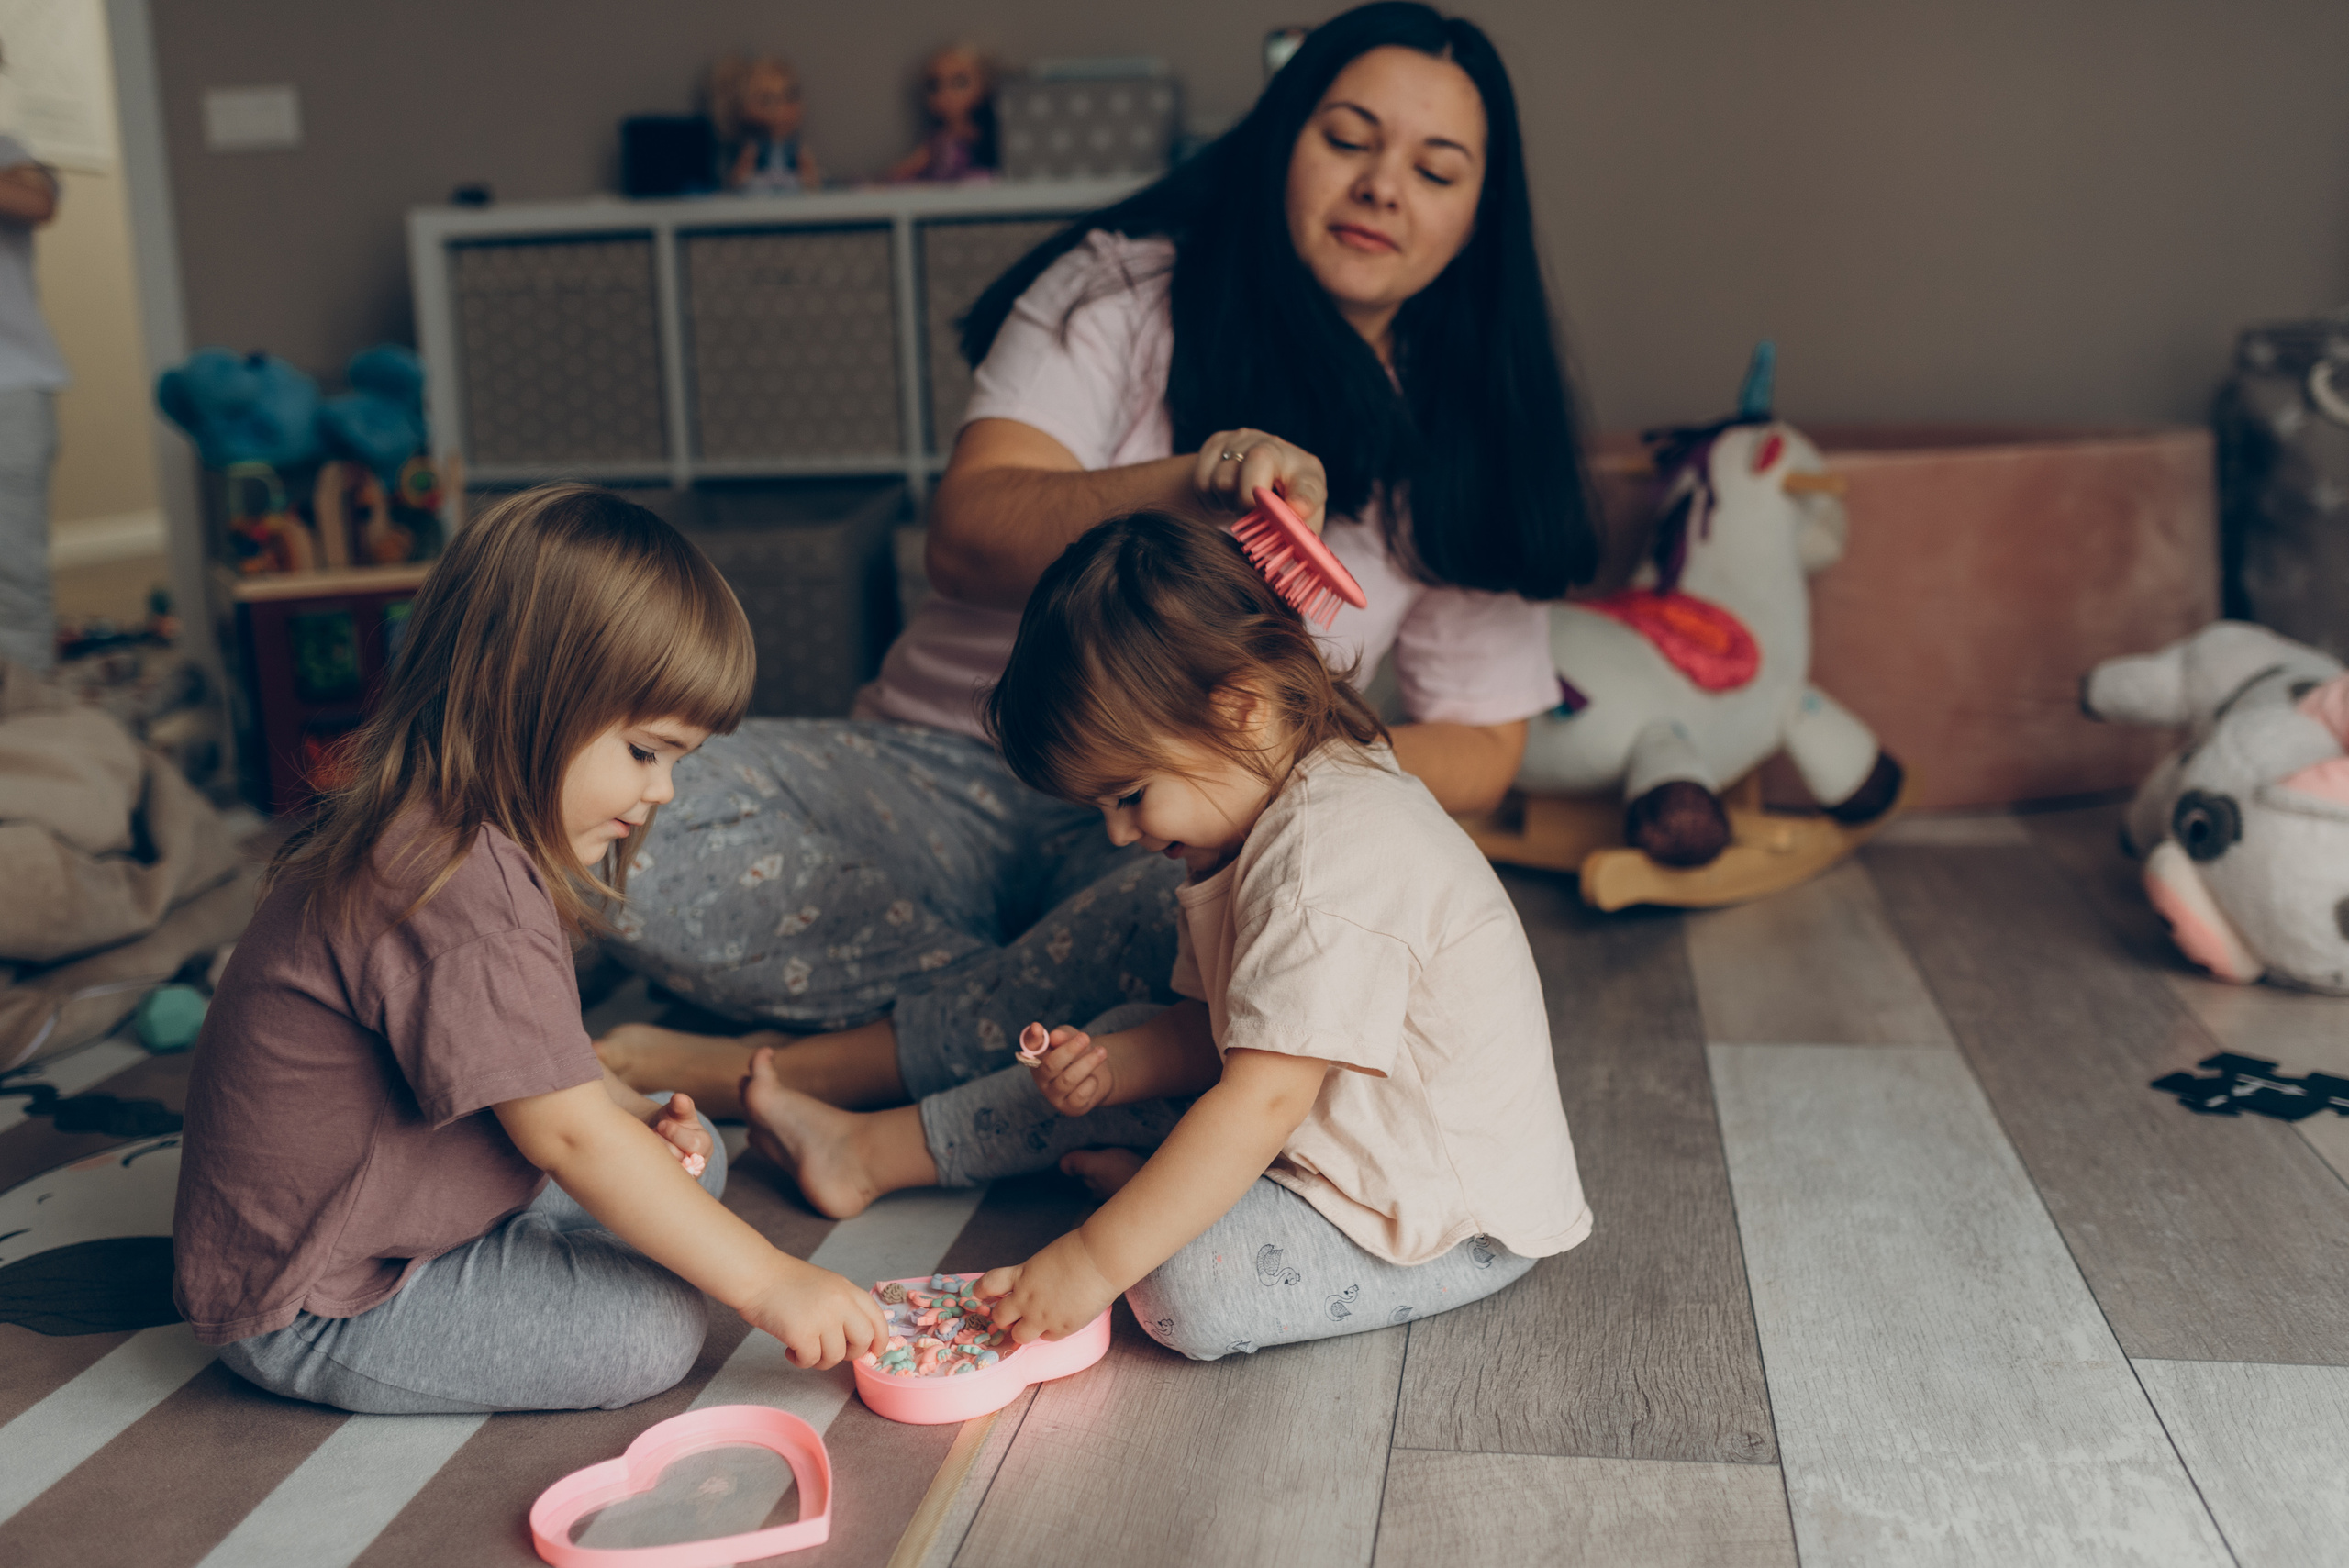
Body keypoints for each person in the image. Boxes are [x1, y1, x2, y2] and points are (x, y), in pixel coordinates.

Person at [599, 2, 1599, 1132]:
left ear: (1479, 212)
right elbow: (968, 535)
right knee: (634, 814)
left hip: (1183, 826)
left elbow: (1483, 742)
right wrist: (1182, 484)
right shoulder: (1121, 292)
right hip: (945, 775)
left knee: (1207, 924)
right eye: (1348, 137)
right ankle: (1013, 1016)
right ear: (1280, 137)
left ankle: (810, 1066)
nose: (1383, 186)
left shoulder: (1474, 431)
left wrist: (1269, 761)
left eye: (1437, 167)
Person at [744, 512, 1590, 1360]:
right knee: (1114, 1044)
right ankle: (866, 1151)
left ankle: (1172, 1202)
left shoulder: (1326, 863)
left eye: (1129, 795)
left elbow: (1261, 1099)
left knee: (1180, 1290)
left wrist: (1090, 1259)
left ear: (1244, 714)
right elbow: (1211, 1033)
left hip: (1439, 1216)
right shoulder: (1246, 818)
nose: (1117, 834)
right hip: (1315, 1138)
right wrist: (1114, 1071)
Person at [171, 485, 886, 1415]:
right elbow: (564, 1129)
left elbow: (540, 1069)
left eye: (678, 760)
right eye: (644, 750)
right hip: (321, 1295)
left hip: (415, 1190)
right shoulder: (447, 875)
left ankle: (604, 1209)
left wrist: (628, 1114)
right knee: (652, 1328)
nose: (663, 790)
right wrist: (772, 1281)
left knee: (689, 1154)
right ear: (519, 688)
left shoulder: (452, 833)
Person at [0, 120, 65, 671]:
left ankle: (27, 736)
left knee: (13, 580)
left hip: (10, 389)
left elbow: (37, 200)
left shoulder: (9, 154)